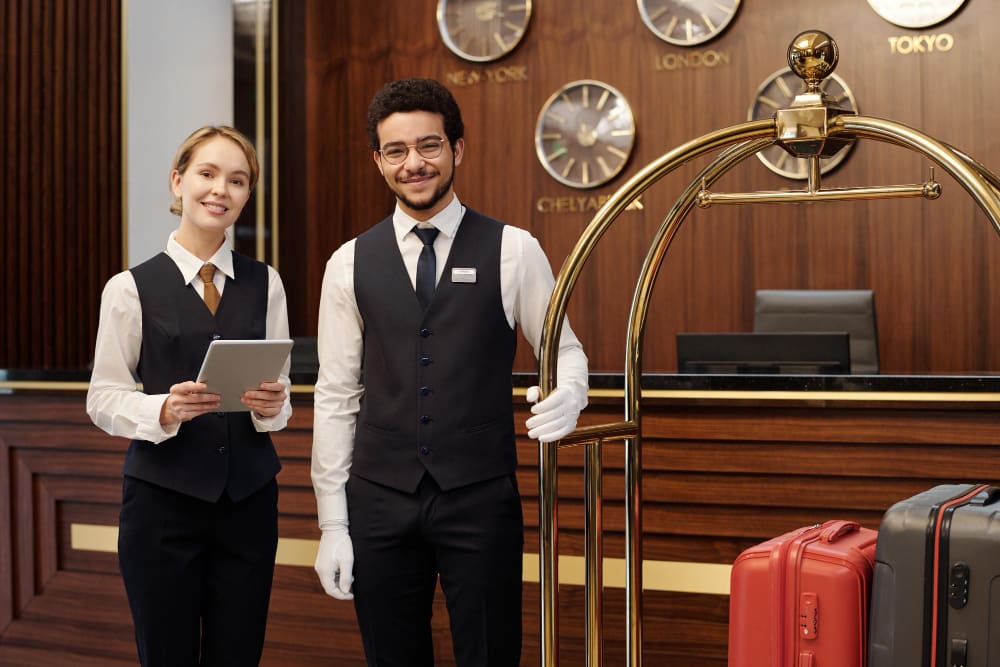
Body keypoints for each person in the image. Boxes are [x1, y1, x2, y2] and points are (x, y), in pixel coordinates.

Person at [311, 77, 589, 666]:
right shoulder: (347, 263)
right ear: (379, 162)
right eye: (397, 151)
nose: (414, 163)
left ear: (457, 149)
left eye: (429, 146)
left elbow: (564, 349)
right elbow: (336, 395)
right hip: (379, 499)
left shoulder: (515, 249)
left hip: (480, 498)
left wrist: (573, 392)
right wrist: (332, 524)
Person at [86, 125, 292, 666]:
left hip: (248, 505)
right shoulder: (128, 288)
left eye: (238, 180)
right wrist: (163, 408)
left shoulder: (266, 282)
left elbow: (282, 391)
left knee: (239, 655)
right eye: (207, 174)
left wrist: (274, 407)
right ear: (178, 182)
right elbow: (102, 396)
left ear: (248, 195)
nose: (220, 189)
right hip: (161, 509)